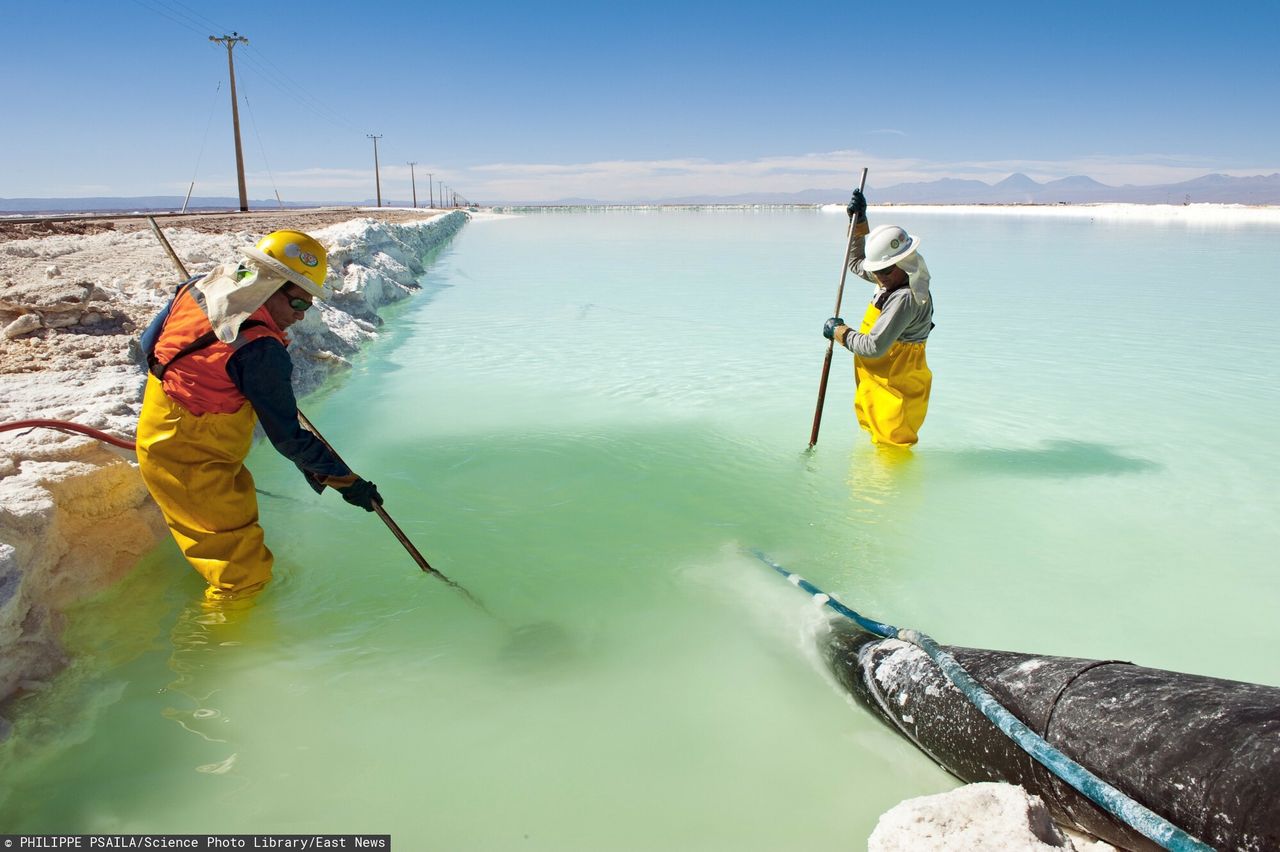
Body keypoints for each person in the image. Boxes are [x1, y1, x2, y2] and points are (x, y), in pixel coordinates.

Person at [136, 229, 381, 602]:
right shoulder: (259, 351)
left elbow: (148, 349)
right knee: (244, 578)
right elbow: (288, 438)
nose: (301, 318)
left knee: (230, 534)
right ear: (270, 285)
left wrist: (206, 382)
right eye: (299, 304)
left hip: (162, 428)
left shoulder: (199, 288)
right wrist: (349, 483)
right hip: (194, 462)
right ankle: (221, 649)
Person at [823, 189, 935, 447]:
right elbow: (855, 263)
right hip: (879, 378)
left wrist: (839, 332)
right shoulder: (891, 277)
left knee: (892, 446)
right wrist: (859, 222)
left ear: (904, 262)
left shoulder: (905, 297)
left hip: (897, 382)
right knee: (875, 440)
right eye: (877, 271)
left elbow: (874, 347)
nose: (878, 277)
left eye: (884, 271)